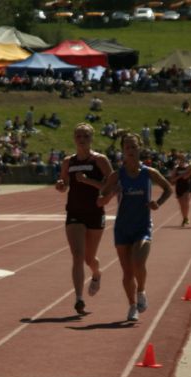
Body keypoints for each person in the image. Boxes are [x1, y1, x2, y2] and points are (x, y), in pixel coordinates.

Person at [98, 132, 173, 322]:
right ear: (122, 151)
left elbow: (168, 188)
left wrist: (158, 203)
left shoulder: (149, 172)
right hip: (122, 228)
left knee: (138, 262)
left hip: (142, 226)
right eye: (127, 147)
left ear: (139, 148)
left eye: (133, 147)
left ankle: (141, 291)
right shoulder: (117, 175)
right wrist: (110, 194)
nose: (130, 150)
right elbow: (100, 201)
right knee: (127, 272)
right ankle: (132, 307)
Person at [55, 123, 113, 315]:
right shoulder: (68, 162)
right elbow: (65, 184)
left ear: (91, 138)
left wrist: (88, 181)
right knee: (77, 255)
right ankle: (79, 299)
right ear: (74, 138)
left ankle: (96, 273)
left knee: (89, 258)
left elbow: (111, 185)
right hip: (74, 212)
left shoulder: (100, 160)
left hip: (95, 212)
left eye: (86, 136)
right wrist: (61, 185)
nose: (82, 139)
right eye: (79, 136)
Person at [170, 151, 191, 227]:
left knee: (186, 202)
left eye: (182, 159)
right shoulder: (176, 168)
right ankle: (184, 218)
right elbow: (172, 180)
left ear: (184, 159)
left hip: (186, 186)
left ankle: (186, 217)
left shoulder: (188, 166)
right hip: (179, 187)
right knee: (182, 204)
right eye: (179, 159)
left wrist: (186, 174)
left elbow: (188, 176)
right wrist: (180, 176)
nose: (180, 160)